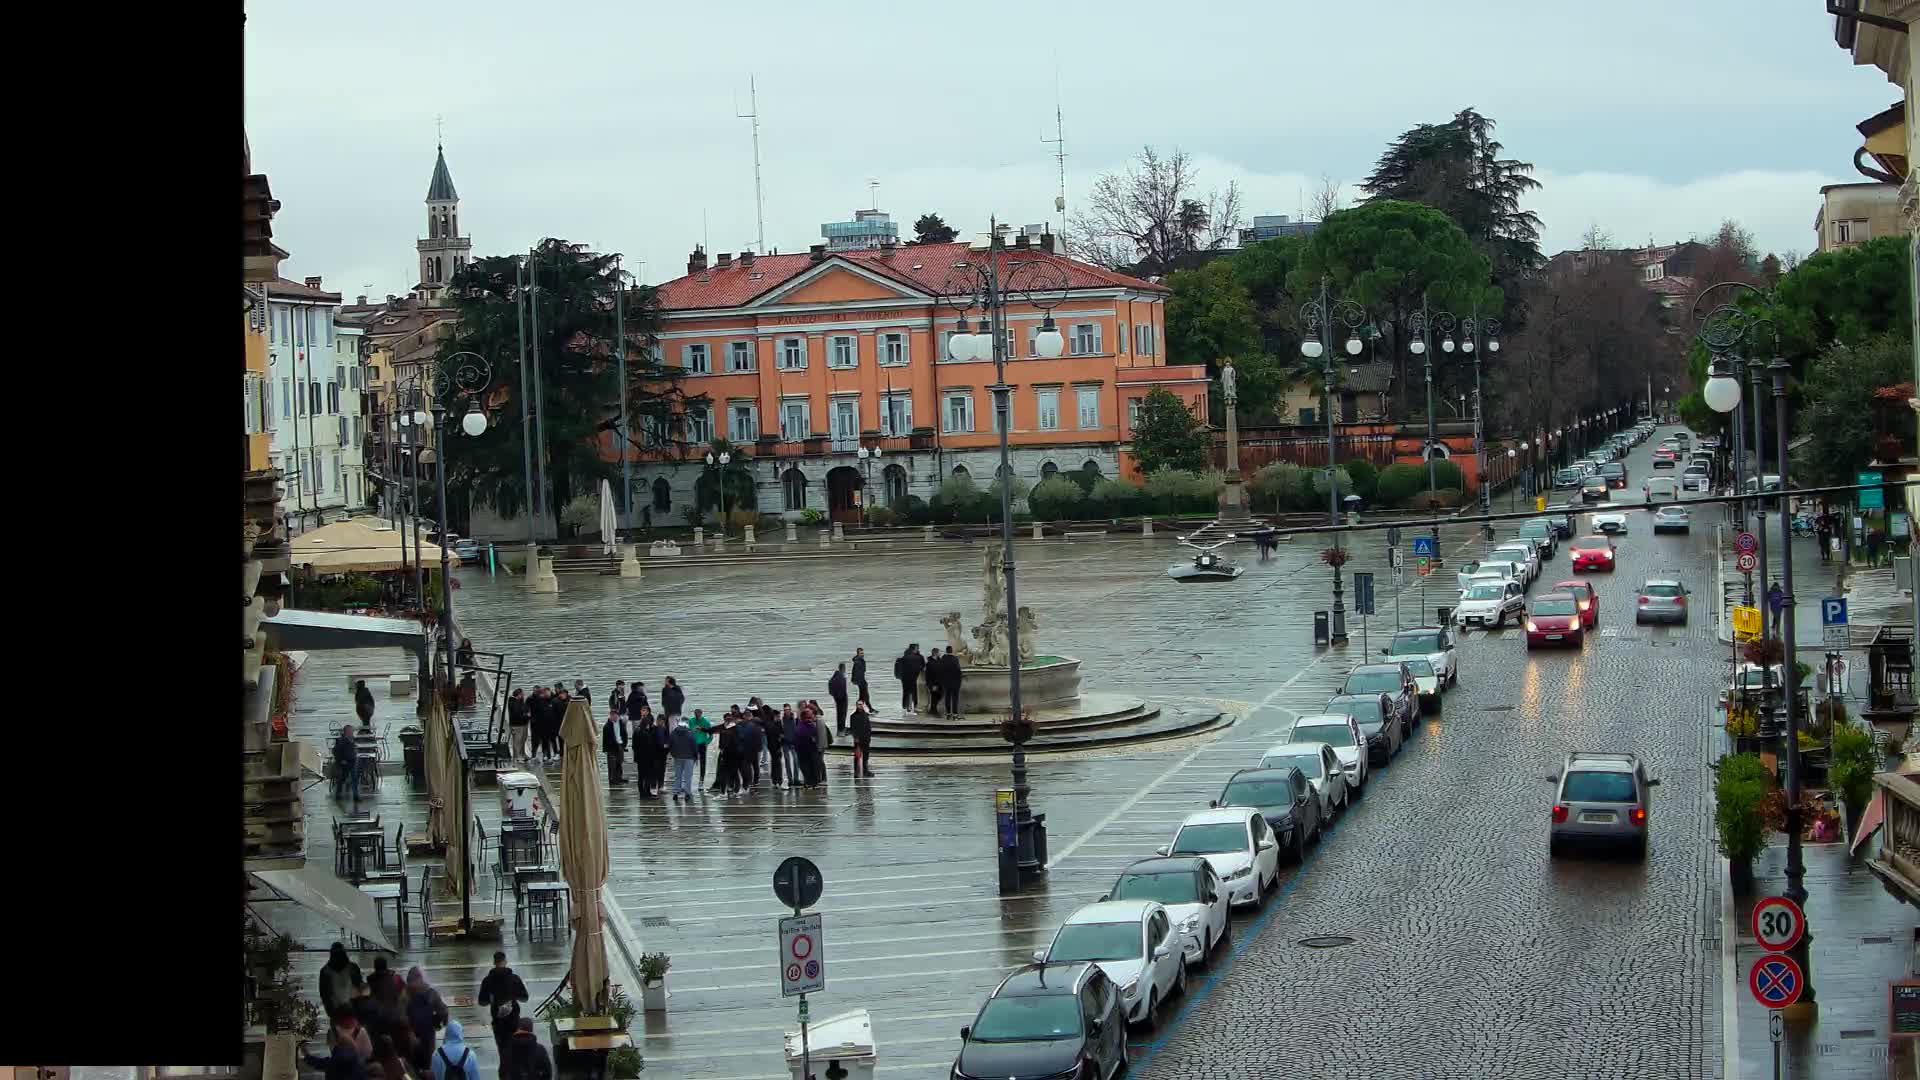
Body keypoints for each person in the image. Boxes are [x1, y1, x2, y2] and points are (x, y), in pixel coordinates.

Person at [475, 951, 528, 1075]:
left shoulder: (487, 981)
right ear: (505, 961)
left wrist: (491, 999)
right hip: (513, 1020)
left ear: (494, 962)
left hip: (498, 1022)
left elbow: (482, 1002)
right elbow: (525, 998)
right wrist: (514, 996)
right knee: (514, 1052)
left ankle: (504, 1074)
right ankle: (514, 1073)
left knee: (502, 1053)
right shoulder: (514, 979)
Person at [405, 966, 449, 1076]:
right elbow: (443, 1011)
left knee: (411, 1067)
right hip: (428, 1035)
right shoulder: (430, 992)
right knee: (428, 1066)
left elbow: (399, 1015)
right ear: (421, 978)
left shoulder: (404, 994)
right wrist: (440, 1023)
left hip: (409, 1036)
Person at [318, 941, 366, 1018]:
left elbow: (324, 994)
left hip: (336, 1011)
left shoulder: (325, 971)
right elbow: (359, 986)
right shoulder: (353, 968)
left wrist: (330, 1012)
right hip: (351, 1010)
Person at [668, 715, 698, 799]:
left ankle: (675, 792)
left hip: (677, 757)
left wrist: (673, 754)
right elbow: (694, 746)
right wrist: (695, 757)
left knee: (678, 775)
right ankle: (687, 793)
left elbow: (670, 744)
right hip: (689, 758)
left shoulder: (674, 732)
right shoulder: (690, 733)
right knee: (687, 776)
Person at [632, 710, 660, 797]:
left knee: (641, 776)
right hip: (647, 759)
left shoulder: (636, 731)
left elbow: (634, 746)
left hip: (639, 758)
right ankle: (646, 793)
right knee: (647, 776)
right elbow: (649, 747)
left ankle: (642, 793)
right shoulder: (645, 734)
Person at [333, 725, 360, 803]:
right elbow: (336, 752)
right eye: (349, 731)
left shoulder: (352, 739)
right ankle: (338, 795)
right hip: (345, 763)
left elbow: (354, 749)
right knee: (342, 779)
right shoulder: (341, 741)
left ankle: (356, 796)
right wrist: (340, 760)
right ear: (345, 732)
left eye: (352, 731)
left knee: (354, 779)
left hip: (352, 762)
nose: (351, 732)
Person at [792, 710, 819, 787]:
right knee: (811, 767)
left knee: (806, 768)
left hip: (803, 752)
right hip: (810, 751)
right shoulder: (811, 726)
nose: (810, 719)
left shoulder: (799, 728)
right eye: (809, 717)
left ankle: (809, 782)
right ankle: (812, 783)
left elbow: (795, 741)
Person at [602, 707, 628, 784]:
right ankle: (613, 779)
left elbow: (624, 734)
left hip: (620, 745)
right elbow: (605, 739)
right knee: (612, 764)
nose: (614, 717)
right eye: (612, 715)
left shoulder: (621, 723)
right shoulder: (607, 726)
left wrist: (624, 744)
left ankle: (619, 778)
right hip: (612, 747)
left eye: (615, 715)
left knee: (619, 762)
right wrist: (605, 749)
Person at [688, 708, 713, 785]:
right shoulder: (691, 720)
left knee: (703, 762)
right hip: (693, 744)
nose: (697, 715)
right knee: (690, 761)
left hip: (702, 744)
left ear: (701, 714)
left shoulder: (705, 722)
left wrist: (707, 742)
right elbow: (688, 732)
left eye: (698, 714)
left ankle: (701, 779)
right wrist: (692, 730)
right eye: (695, 714)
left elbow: (711, 734)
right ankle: (689, 777)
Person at [850, 700, 874, 778]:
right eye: (858, 704)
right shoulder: (853, 716)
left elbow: (868, 726)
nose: (860, 706)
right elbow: (853, 728)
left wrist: (869, 736)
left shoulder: (865, 715)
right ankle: (856, 772)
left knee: (866, 755)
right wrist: (855, 737)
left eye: (861, 704)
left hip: (866, 738)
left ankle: (865, 770)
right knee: (857, 756)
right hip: (858, 739)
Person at [506, 689, 530, 765]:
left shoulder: (520, 702)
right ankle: (517, 757)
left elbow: (525, 709)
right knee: (517, 741)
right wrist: (526, 716)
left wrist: (525, 714)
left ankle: (523, 754)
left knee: (523, 739)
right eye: (522, 694)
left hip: (523, 724)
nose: (523, 696)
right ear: (518, 695)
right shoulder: (513, 702)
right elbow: (517, 714)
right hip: (517, 725)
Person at [941, 646, 964, 719]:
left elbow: (940, 671)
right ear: (952, 651)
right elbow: (958, 671)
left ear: (946, 651)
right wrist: (959, 681)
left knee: (947, 698)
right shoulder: (955, 659)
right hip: (955, 682)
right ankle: (955, 714)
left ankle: (948, 713)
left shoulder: (943, 659)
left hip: (946, 682)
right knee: (955, 698)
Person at [780, 705, 800, 788]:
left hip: (793, 743)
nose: (787, 711)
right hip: (785, 743)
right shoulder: (782, 721)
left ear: (790, 710)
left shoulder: (794, 720)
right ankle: (790, 779)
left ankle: (796, 779)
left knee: (796, 760)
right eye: (785, 710)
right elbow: (780, 731)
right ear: (784, 711)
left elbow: (797, 730)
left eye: (788, 709)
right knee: (787, 761)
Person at [828, 664, 850, 735]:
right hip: (842, 699)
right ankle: (841, 730)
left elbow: (830, 685)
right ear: (843, 668)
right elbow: (842, 688)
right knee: (842, 714)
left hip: (838, 698)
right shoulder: (841, 677)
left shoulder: (835, 676)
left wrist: (834, 695)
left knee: (840, 714)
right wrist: (840, 696)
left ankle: (840, 729)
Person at [894, 647, 917, 714]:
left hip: (903, 678)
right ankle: (909, 708)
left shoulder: (899, 660)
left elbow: (897, 670)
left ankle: (904, 706)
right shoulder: (909, 660)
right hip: (910, 678)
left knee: (905, 692)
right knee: (911, 692)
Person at [850, 647, 870, 713]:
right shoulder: (858, 661)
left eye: (863, 653)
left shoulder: (860, 660)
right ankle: (863, 709)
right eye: (861, 653)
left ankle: (868, 708)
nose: (862, 654)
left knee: (864, 695)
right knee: (863, 695)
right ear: (858, 654)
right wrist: (861, 681)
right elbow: (857, 673)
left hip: (861, 680)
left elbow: (862, 672)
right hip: (860, 680)